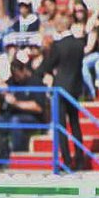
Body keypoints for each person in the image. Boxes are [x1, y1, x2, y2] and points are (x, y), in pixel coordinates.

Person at [39, 13, 85, 170]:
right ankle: (80, 160)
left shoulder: (58, 46)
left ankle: (66, 162)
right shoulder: (79, 44)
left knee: (61, 126)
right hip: (75, 89)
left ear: (59, 26)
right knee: (75, 125)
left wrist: (44, 72)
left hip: (61, 89)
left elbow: (46, 66)